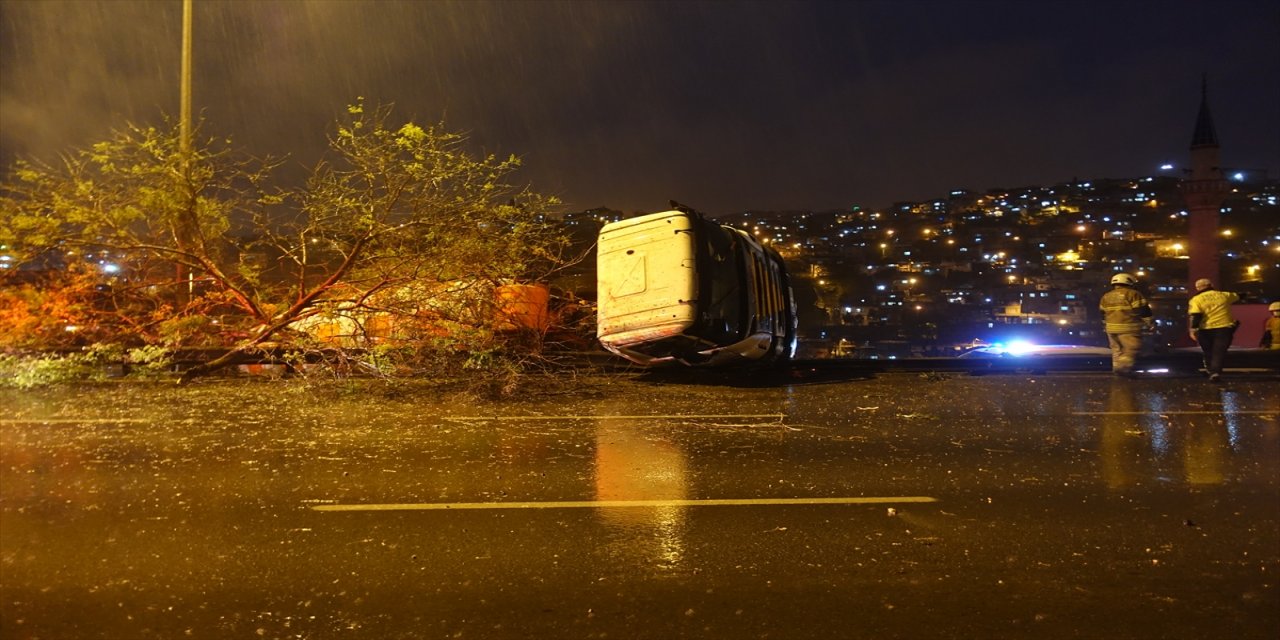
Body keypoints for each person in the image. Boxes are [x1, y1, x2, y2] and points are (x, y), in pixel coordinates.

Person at [1098, 273, 1152, 376]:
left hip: (1110, 328)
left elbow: (1102, 313)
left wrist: (1106, 325)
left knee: (1116, 350)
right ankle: (1122, 368)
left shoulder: (1106, 296)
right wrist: (1150, 322)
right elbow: (1143, 310)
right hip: (1128, 327)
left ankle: (1117, 372)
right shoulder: (1133, 294)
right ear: (1129, 282)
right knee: (1132, 348)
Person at [1187, 278, 1239, 382]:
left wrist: (1193, 329)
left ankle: (1210, 370)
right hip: (1224, 328)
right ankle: (1215, 372)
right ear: (1211, 285)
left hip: (1205, 329)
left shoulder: (1196, 299)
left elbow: (1196, 315)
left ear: (1197, 288)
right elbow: (1238, 296)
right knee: (1218, 352)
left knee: (1208, 351)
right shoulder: (1224, 295)